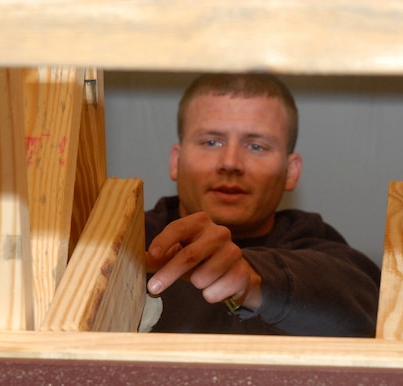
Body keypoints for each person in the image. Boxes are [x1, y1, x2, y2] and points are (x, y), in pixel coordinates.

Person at [143, 73, 380, 337]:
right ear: (176, 161)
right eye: (211, 142)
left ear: (291, 171)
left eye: (256, 146)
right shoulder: (128, 244)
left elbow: (369, 305)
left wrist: (254, 279)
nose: (231, 162)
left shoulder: (323, 253)